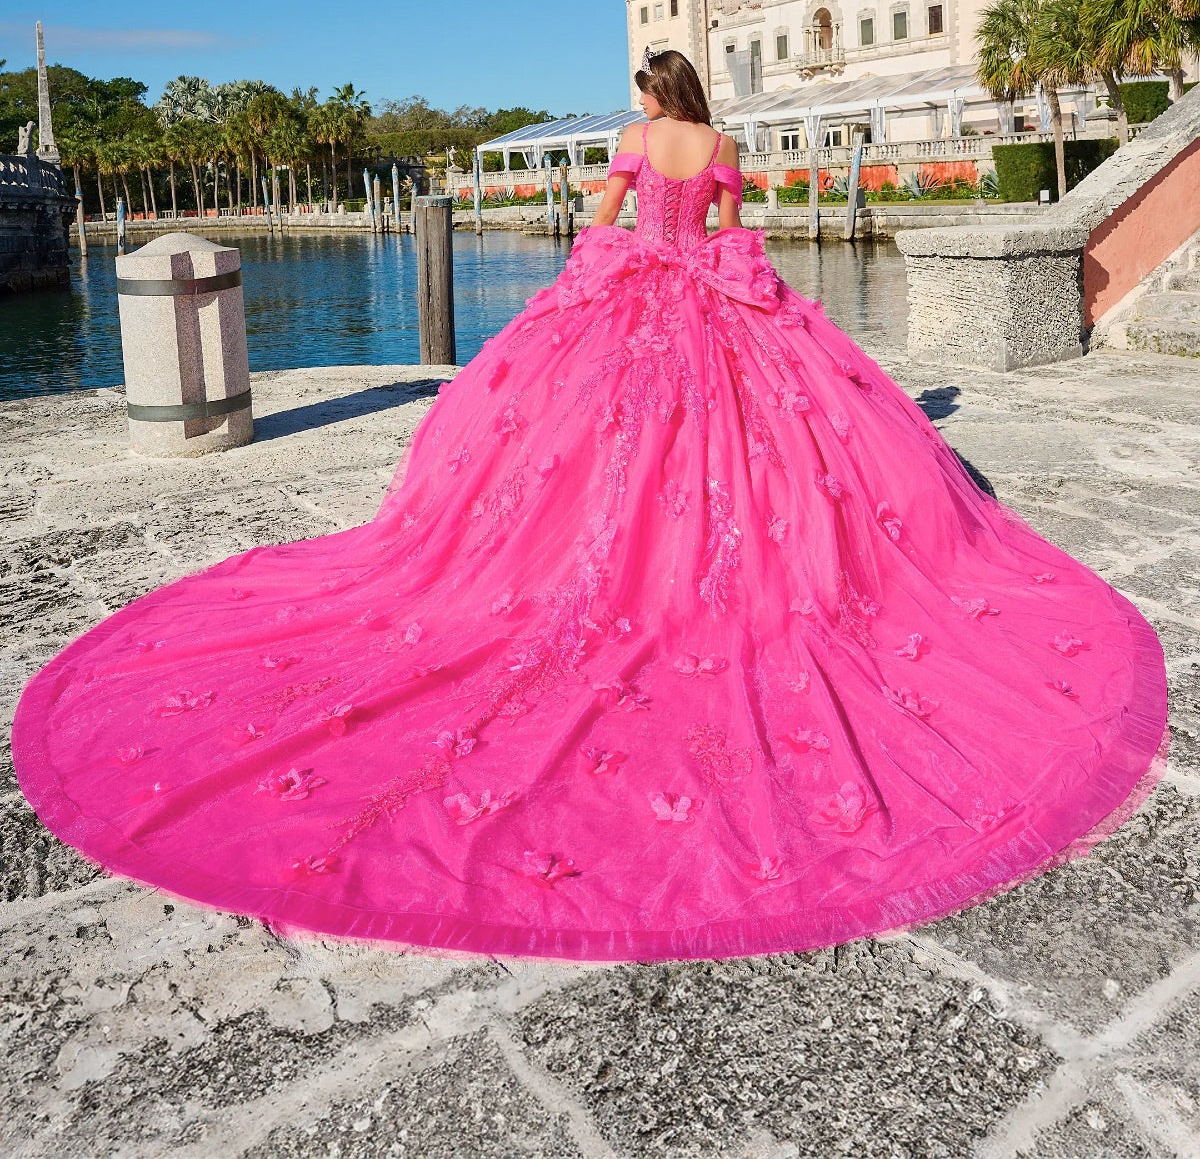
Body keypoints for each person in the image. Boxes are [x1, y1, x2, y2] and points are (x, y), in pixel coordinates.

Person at [12, 50, 1167, 963]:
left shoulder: (628, 141)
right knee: (734, 455)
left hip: (627, 308)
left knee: (593, 449)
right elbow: (720, 233)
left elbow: (602, 220)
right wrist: (700, 256)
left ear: (643, 97)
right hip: (707, 306)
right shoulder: (719, 142)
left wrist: (602, 247)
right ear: (695, 99)